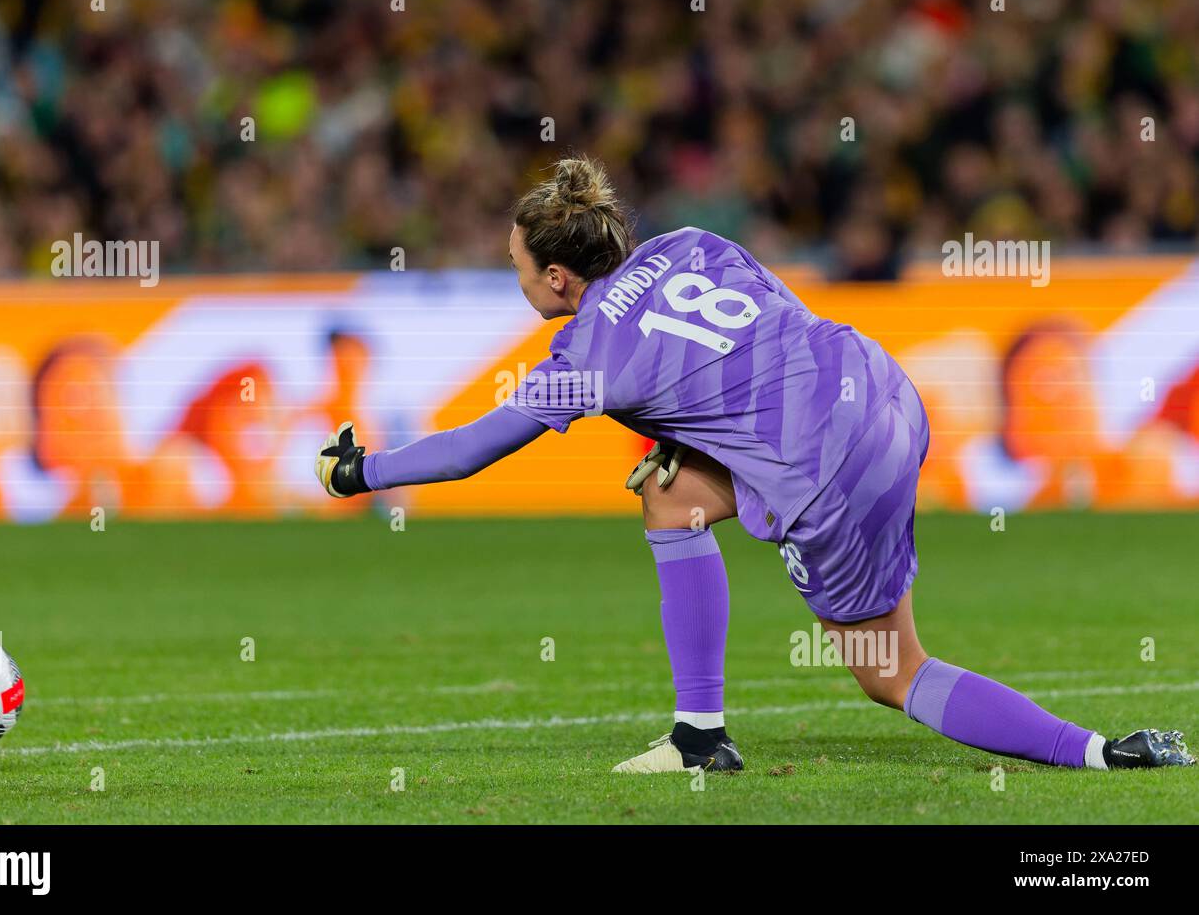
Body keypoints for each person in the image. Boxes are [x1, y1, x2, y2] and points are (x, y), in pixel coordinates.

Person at [315, 156, 1193, 775]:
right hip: (881, 389)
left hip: (824, 461)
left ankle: (1100, 751)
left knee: (891, 670)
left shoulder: (584, 354)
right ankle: (701, 736)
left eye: (514, 265)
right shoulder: (693, 243)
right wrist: (691, 438)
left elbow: (472, 451)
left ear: (556, 277)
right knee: (671, 496)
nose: (514, 280)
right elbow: (768, 338)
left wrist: (363, 473)